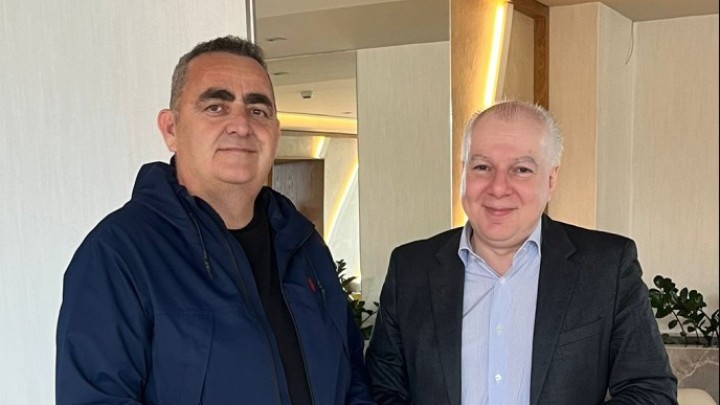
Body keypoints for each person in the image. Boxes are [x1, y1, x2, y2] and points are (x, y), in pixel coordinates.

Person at [56, 35, 374, 405]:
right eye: (216, 107)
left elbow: (352, 379)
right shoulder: (119, 253)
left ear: (275, 132)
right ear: (171, 129)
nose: (241, 125)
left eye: (258, 110)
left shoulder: (302, 244)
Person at [365, 100, 677, 405]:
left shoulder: (607, 266)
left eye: (522, 170)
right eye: (482, 167)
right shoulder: (410, 268)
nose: (498, 188)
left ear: (551, 180)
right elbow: (382, 389)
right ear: (463, 172)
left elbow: (650, 391)